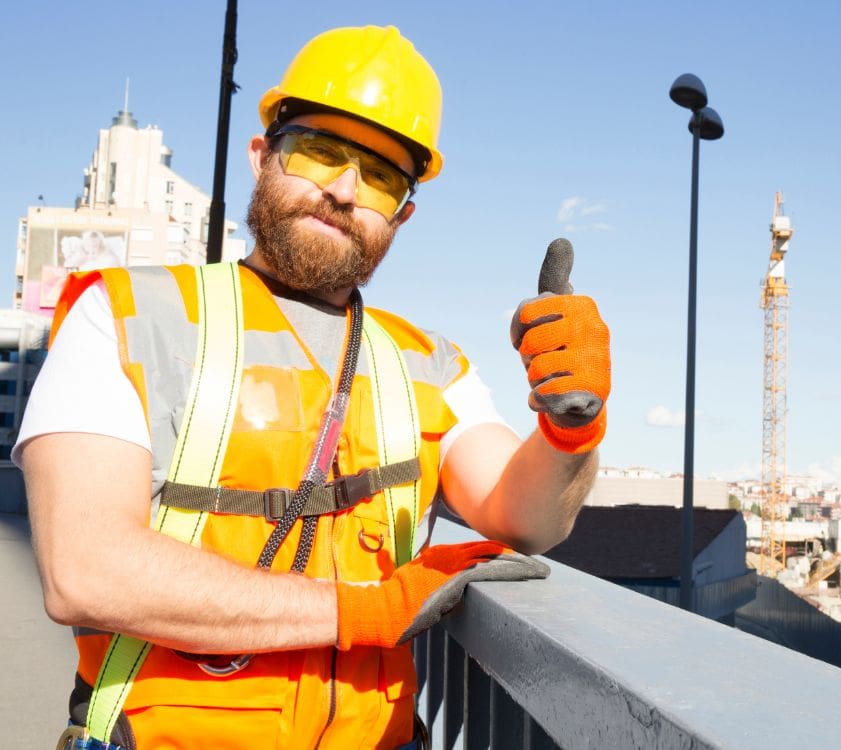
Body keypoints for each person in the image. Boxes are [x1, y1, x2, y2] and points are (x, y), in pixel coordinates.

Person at [18, 25, 611, 749]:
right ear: (262, 155)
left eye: (382, 175)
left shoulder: (426, 361)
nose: (343, 188)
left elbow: (526, 520)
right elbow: (85, 570)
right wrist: (369, 610)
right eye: (320, 151)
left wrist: (570, 426)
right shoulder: (127, 315)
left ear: (403, 214)